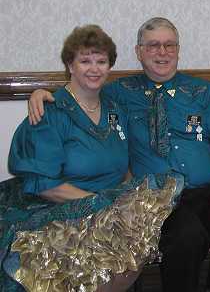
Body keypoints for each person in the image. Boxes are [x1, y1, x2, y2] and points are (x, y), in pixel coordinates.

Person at [28, 17, 210, 292]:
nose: (162, 52)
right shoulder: (117, 93)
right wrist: (42, 94)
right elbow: (82, 93)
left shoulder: (203, 91)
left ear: (178, 50)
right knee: (187, 239)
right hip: (158, 199)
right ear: (139, 51)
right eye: (153, 45)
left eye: (169, 45)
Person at [1, 25, 182, 292]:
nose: (94, 69)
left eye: (101, 61)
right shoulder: (50, 113)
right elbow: (45, 185)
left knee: (144, 218)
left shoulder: (114, 108)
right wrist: (100, 206)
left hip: (108, 207)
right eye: (85, 61)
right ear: (70, 65)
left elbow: (124, 169)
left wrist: (126, 201)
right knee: (108, 243)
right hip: (61, 210)